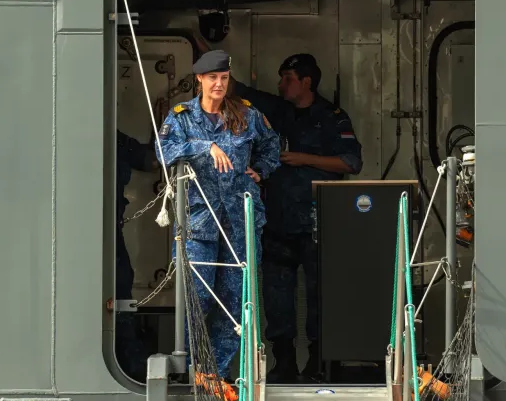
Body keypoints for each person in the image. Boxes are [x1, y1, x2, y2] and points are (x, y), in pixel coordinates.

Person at [217, 48, 364, 383]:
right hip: (278, 221)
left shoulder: (332, 117)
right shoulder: (277, 111)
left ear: (307, 82)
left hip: (318, 222)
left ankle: (319, 362)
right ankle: (282, 361)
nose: (282, 85)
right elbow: (238, 89)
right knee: (277, 295)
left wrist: (302, 158)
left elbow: (351, 163)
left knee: (320, 294)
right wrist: (208, 55)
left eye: (288, 79)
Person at [156, 50, 281, 396]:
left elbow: (273, 146)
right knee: (196, 297)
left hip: (240, 221)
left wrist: (262, 170)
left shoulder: (247, 114)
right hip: (199, 222)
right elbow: (164, 149)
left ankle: (218, 376)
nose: (218, 85)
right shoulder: (182, 118)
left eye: (224, 78)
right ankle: (198, 369)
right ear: (199, 79)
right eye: (212, 78)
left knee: (235, 301)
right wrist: (205, 146)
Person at [115, 129, 158, 382]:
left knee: (120, 286)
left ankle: (127, 362)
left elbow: (150, 161)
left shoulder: (114, 135)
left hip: (108, 230)